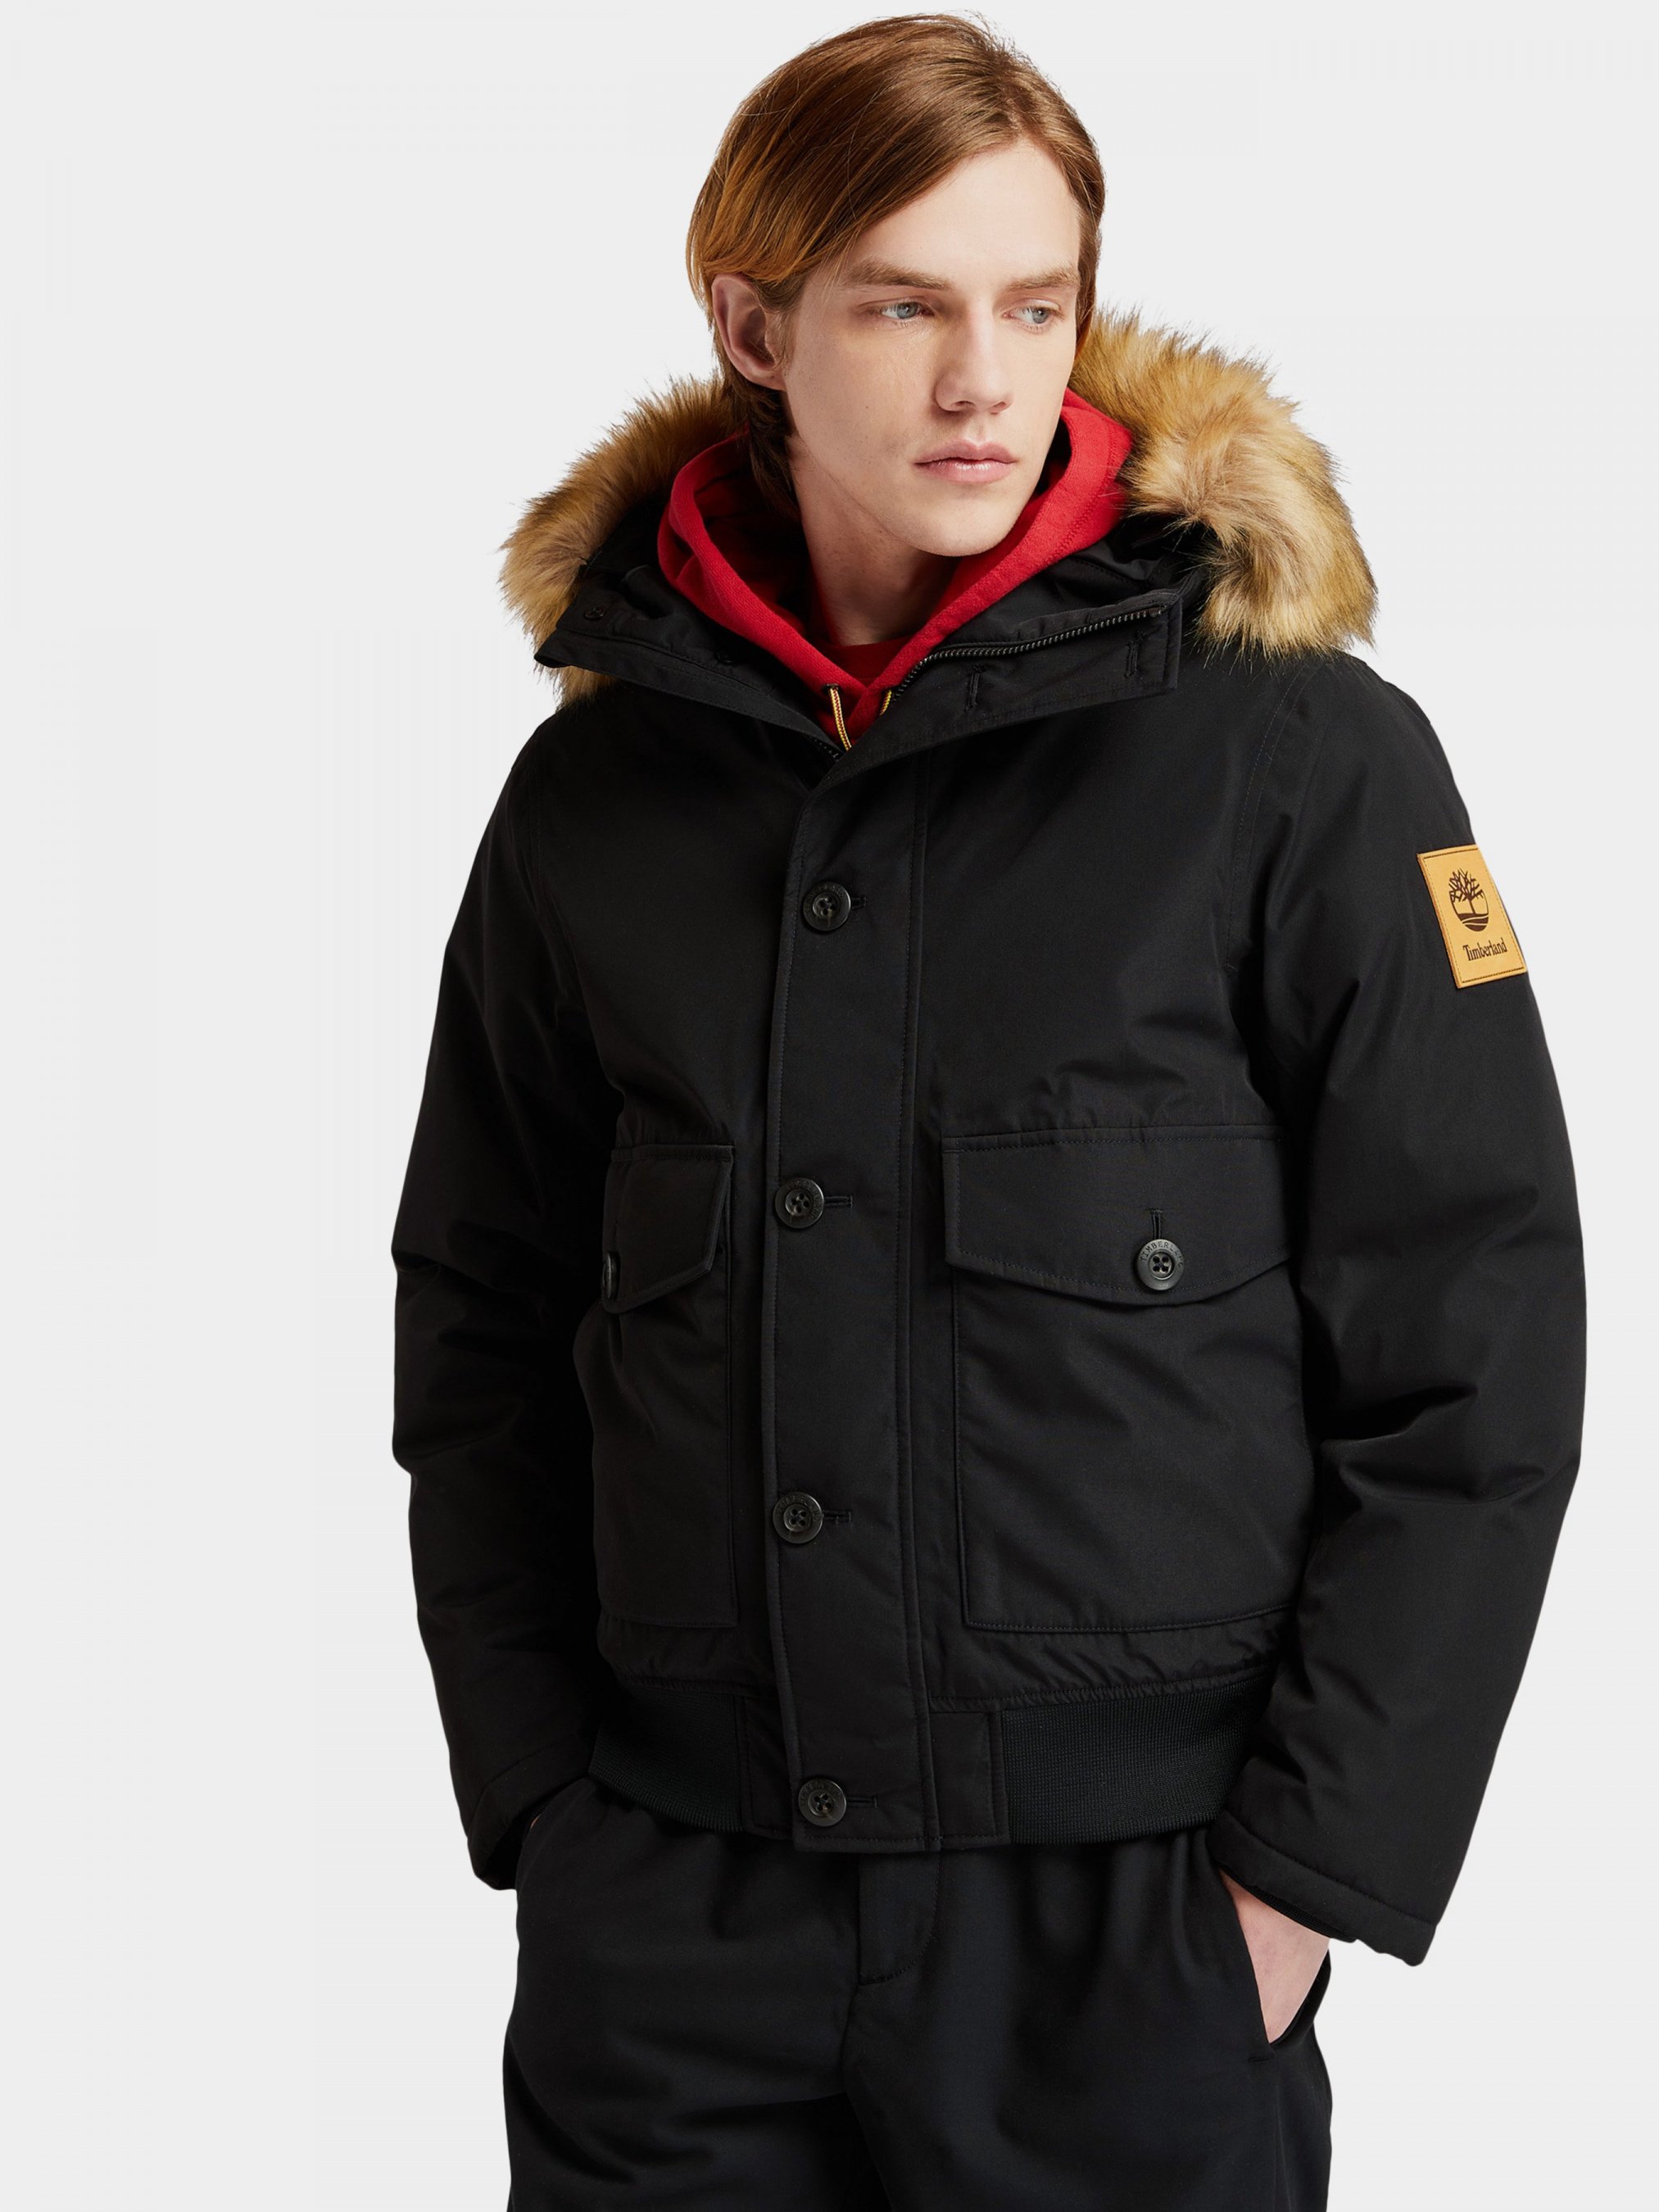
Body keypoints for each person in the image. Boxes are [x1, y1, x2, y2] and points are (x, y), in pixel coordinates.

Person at [389, 16, 1586, 2209]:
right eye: (900, 307)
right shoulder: (595, 798)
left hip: (1130, 1938)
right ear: (752, 326)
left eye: (1035, 306)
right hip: (672, 1922)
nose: (981, 380)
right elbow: (478, 1318)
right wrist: (546, 1802)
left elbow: (1475, 1345)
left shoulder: (1294, 758)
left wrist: (1296, 1886)